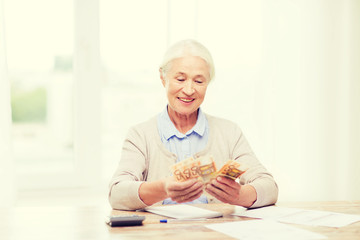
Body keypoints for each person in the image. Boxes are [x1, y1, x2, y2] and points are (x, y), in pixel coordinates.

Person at [109, 39, 278, 210]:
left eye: (199, 81)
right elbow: (116, 193)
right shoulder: (140, 135)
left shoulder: (229, 133)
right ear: (163, 77)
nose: (189, 90)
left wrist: (240, 195)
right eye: (180, 79)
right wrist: (162, 188)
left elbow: (270, 187)